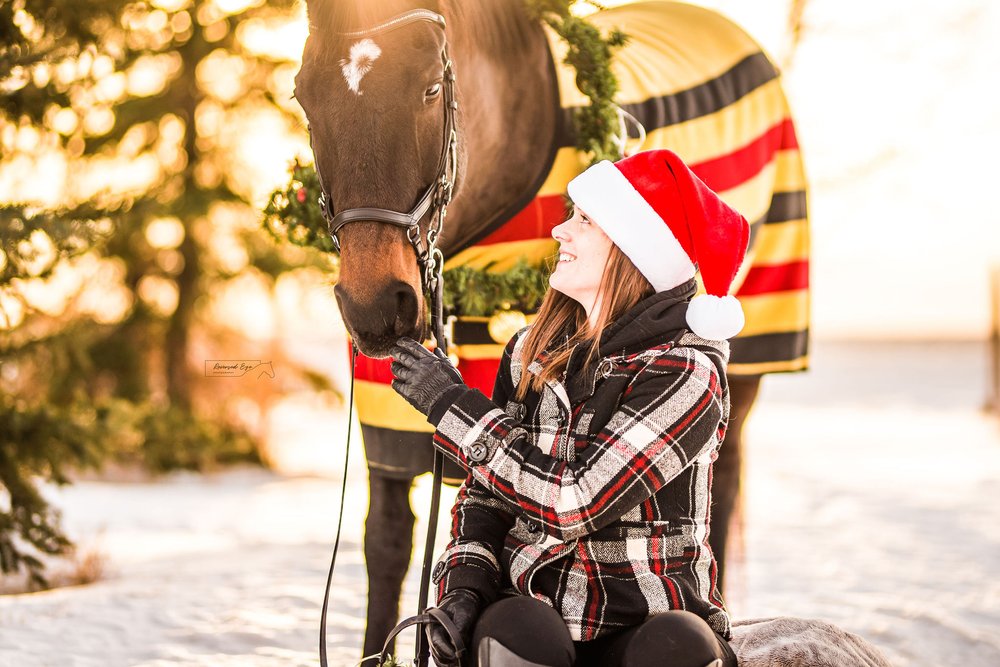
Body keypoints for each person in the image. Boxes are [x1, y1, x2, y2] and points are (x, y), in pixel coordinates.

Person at [390, 149, 749, 667]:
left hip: (646, 624)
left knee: (676, 644)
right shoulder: (529, 353)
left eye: (584, 219)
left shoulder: (687, 374)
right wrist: (464, 589)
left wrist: (451, 404)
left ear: (634, 249)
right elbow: (487, 499)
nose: (561, 231)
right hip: (538, 612)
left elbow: (574, 501)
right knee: (514, 625)